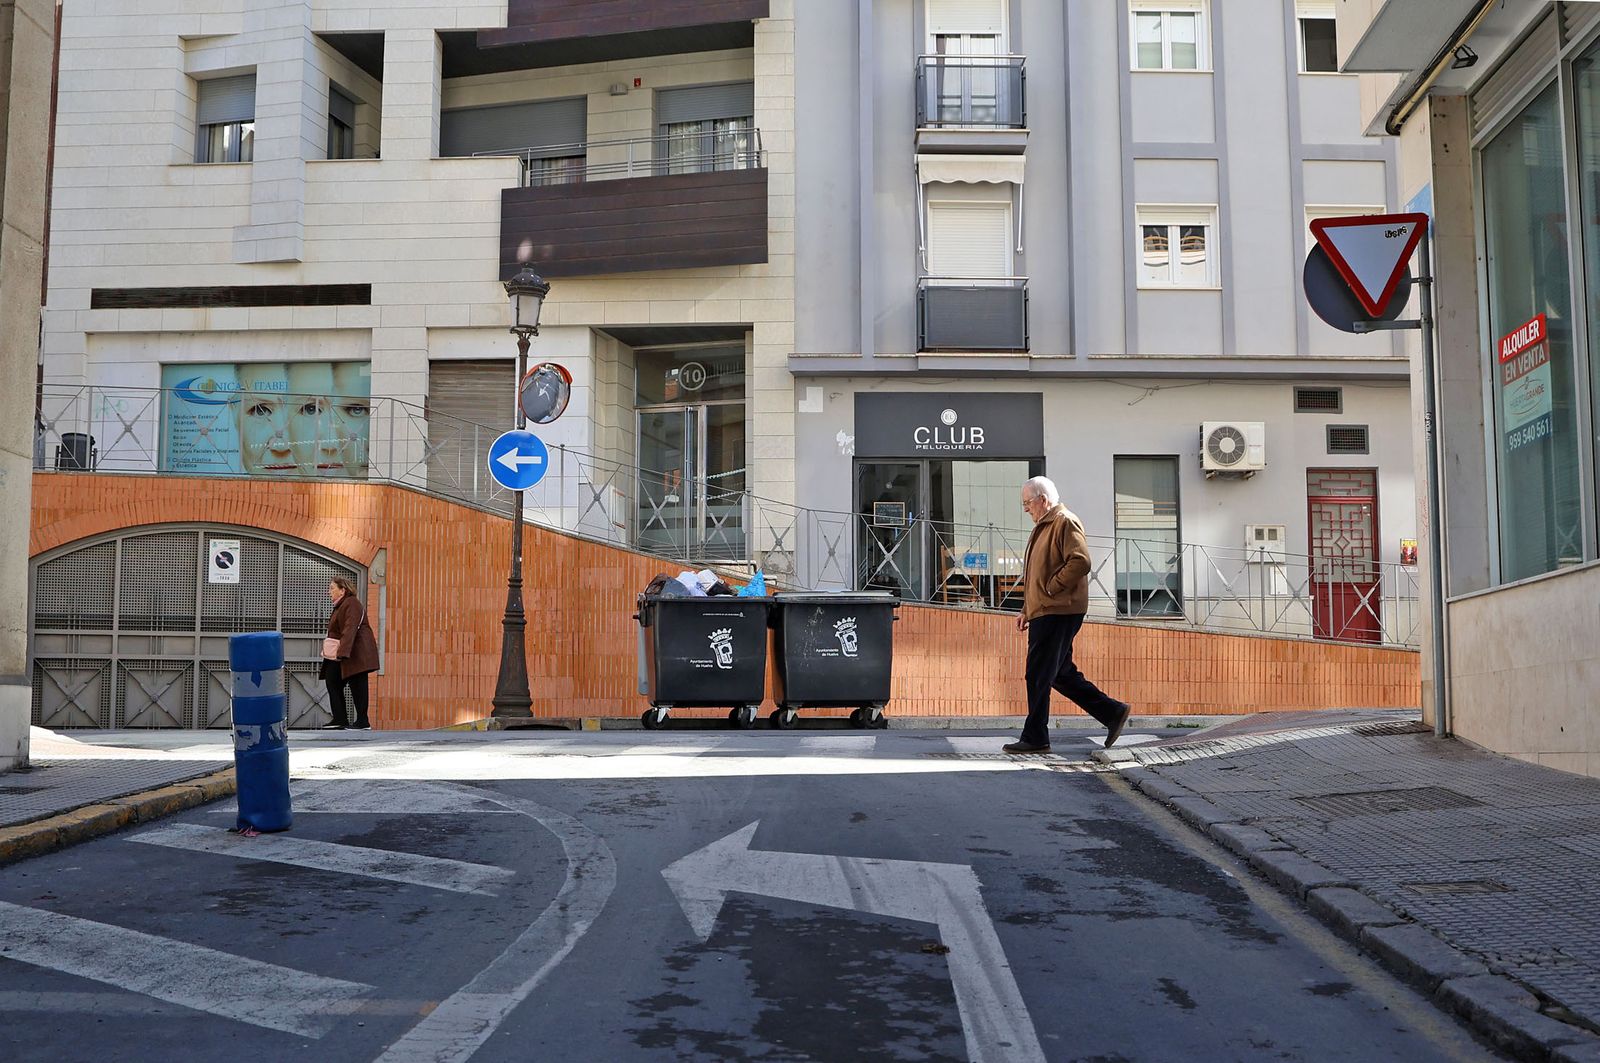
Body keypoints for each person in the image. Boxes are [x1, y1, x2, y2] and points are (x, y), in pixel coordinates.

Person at [1004, 476, 1132, 754]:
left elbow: (1081, 560)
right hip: (1046, 610)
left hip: (1058, 610)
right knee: (1060, 673)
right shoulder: (1045, 525)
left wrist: (1052, 589)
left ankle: (1036, 736)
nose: (1025, 508)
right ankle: (1112, 712)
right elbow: (1038, 572)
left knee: (1037, 673)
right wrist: (1028, 608)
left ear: (1043, 500)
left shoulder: (1064, 521)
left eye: (1027, 503)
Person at [322, 576, 379, 729]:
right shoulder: (341, 605)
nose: (329, 592)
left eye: (332, 588)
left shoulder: (351, 604)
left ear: (342, 590)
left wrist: (342, 652)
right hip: (348, 652)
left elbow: (350, 628)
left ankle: (362, 721)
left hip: (357, 653)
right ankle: (340, 719)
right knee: (332, 680)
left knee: (357, 685)